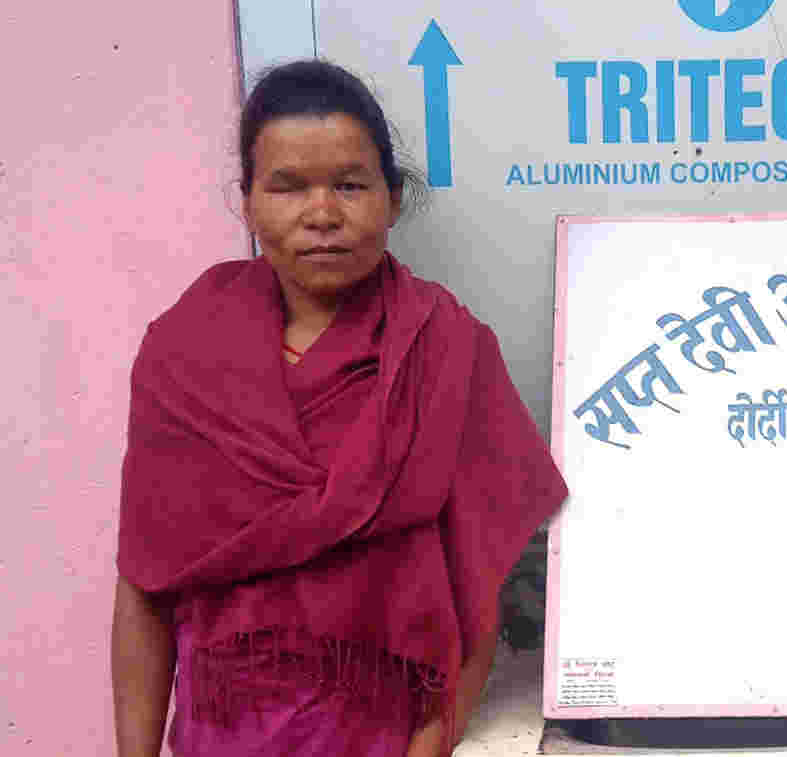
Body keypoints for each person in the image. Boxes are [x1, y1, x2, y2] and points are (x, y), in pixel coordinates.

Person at [111, 60, 567, 757]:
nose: (322, 214)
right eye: (288, 187)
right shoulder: (182, 355)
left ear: (392, 195)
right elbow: (144, 584)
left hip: (387, 736)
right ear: (248, 200)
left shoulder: (446, 349)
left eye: (350, 186)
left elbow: (477, 591)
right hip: (220, 736)